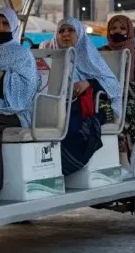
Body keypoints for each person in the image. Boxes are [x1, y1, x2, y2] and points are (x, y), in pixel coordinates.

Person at [0, 7, 40, 187]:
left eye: (5, 23)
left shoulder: (22, 54)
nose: (0, 27)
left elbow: (27, 91)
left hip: (16, 110)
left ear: (13, 27)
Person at [53, 18, 123, 176]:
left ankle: (68, 164)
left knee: (76, 127)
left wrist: (89, 83)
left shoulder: (90, 56)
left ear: (80, 35)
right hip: (58, 105)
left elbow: (114, 87)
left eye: (70, 30)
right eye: (61, 31)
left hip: (96, 106)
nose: (65, 34)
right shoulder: (52, 57)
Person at [98, 15, 135, 172]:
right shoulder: (101, 53)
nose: (117, 31)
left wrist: (118, 89)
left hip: (132, 99)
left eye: (122, 28)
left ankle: (123, 154)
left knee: (121, 112)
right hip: (104, 97)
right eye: (113, 28)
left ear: (129, 30)